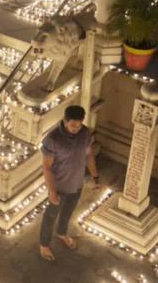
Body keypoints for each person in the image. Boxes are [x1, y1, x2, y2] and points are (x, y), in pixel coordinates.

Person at [39, 105, 100, 262]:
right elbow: (47, 167)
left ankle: (62, 232)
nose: (75, 129)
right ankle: (44, 244)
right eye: (73, 125)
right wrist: (52, 192)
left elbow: (88, 155)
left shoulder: (84, 133)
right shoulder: (52, 139)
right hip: (59, 186)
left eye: (78, 125)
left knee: (68, 211)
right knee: (51, 215)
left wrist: (95, 176)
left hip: (77, 183)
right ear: (65, 121)